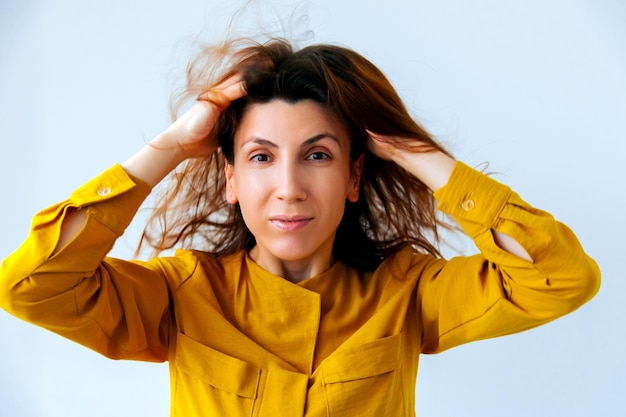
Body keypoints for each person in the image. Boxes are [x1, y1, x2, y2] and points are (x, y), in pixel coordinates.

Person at [0, 38, 600, 416]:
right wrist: (169, 147)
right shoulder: (181, 292)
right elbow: (31, 286)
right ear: (231, 179)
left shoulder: (407, 291)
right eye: (261, 157)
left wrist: (424, 159)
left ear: (353, 176)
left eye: (317, 155)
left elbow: (559, 277)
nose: (289, 187)